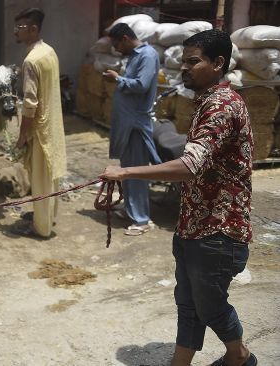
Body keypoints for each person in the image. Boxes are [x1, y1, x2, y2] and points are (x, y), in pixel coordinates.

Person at [100, 29, 256, 366]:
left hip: (219, 230)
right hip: (193, 225)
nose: (184, 68)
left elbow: (189, 166)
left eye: (192, 62)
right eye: (183, 61)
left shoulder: (222, 105)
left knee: (209, 307)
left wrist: (125, 173)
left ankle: (239, 355)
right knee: (188, 305)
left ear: (218, 63)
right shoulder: (206, 102)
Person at [10, 8, 67, 238]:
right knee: (50, 177)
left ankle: (41, 228)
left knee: (41, 179)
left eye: (20, 27)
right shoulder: (49, 51)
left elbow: (30, 105)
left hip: (41, 128)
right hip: (53, 124)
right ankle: (47, 216)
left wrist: (23, 134)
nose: (16, 31)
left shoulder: (31, 60)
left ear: (33, 29)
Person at [102, 23, 161, 236]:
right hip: (128, 123)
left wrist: (117, 79)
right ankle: (131, 210)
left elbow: (142, 85)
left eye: (117, 44)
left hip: (136, 124)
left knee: (135, 172)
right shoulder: (135, 56)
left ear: (125, 38)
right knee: (127, 169)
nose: (117, 49)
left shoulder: (147, 55)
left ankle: (142, 220)